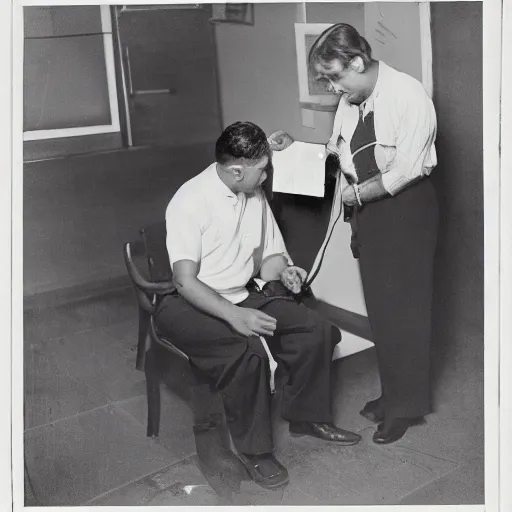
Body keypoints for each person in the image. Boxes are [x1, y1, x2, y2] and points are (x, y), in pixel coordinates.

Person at [155, 121, 361, 490]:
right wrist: (235, 316)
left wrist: (286, 272)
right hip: (187, 302)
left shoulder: (252, 192)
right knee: (246, 353)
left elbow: (269, 257)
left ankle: (306, 416)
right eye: (262, 170)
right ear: (236, 171)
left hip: (241, 293)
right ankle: (255, 452)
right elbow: (184, 280)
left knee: (316, 330)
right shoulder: (190, 201)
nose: (267, 176)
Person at [273, 23, 439, 445]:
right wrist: (291, 147)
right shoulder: (352, 99)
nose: (333, 88)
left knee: (407, 311)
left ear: (359, 62)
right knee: (383, 309)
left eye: (335, 76)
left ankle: (407, 408)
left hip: (406, 211)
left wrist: (357, 193)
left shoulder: (408, 95)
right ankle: (395, 393)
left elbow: (407, 170)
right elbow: (337, 151)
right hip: (369, 212)